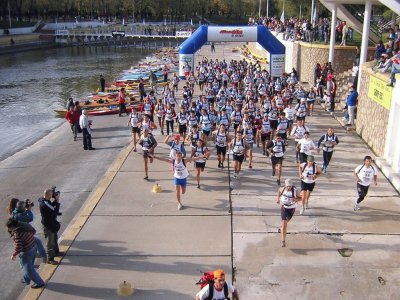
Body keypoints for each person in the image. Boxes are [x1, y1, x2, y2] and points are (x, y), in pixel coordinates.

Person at [6, 218, 46, 289]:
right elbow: (33, 231)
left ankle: (39, 283)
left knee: (28, 270)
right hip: (33, 247)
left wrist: (14, 255)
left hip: (26, 252)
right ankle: (26, 279)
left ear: (12, 226)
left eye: (9, 227)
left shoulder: (17, 233)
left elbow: (19, 247)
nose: (9, 229)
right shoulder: (24, 226)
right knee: (29, 266)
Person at [8, 199, 47, 263]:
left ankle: (40, 256)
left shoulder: (14, 212)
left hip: (22, 234)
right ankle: (44, 257)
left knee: (36, 243)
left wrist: (25, 209)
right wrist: (28, 210)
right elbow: (30, 218)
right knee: (37, 242)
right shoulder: (19, 216)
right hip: (24, 235)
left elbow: (21, 213)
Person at [38, 189, 63, 265]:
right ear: (49, 195)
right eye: (51, 194)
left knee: (54, 238)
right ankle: (50, 259)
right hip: (48, 226)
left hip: (51, 223)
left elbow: (51, 206)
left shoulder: (44, 200)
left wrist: (55, 199)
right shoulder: (45, 204)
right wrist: (57, 200)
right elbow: (55, 210)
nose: (53, 196)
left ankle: (56, 252)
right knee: (50, 242)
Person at [276, 179, 301, 247]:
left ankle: (282, 229)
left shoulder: (295, 191)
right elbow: (278, 191)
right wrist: (278, 198)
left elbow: (301, 198)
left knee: (286, 223)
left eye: (290, 186)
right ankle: (283, 241)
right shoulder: (282, 189)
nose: (288, 187)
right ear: (285, 185)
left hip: (292, 209)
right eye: (287, 186)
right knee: (284, 224)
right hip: (284, 208)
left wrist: (296, 199)